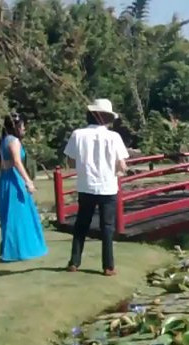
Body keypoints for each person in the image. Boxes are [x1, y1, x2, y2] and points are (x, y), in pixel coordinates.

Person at [64, 99, 129, 276]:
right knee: (107, 227)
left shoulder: (78, 134)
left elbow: (70, 161)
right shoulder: (113, 137)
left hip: (86, 185)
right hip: (107, 187)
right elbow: (121, 165)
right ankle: (108, 266)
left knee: (81, 225)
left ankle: (74, 262)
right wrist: (120, 170)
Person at [0, 112, 48, 262]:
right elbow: (17, 161)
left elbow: (2, 164)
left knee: (11, 215)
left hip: (6, 180)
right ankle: (19, 250)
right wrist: (28, 181)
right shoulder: (13, 141)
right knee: (18, 215)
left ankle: (12, 249)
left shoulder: (3, 141)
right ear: (16, 127)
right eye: (22, 125)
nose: (24, 128)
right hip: (14, 180)